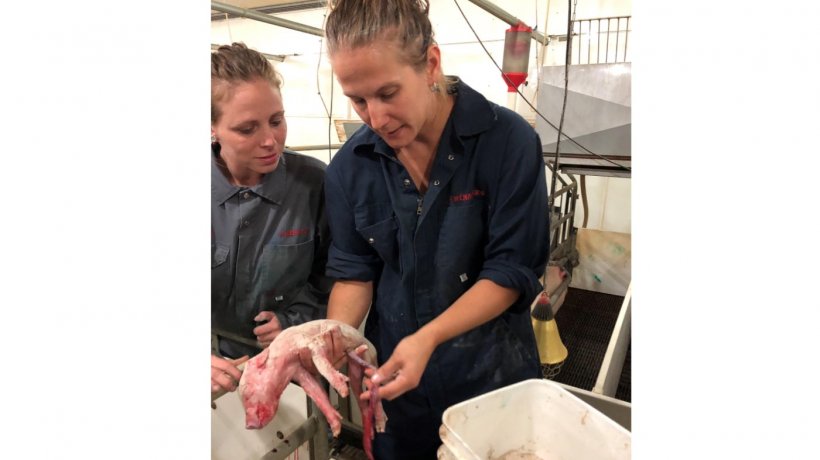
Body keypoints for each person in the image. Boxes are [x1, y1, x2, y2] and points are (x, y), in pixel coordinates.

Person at [321, 1, 550, 458]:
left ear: (430, 63)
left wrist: (428, 337)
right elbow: (354, 272)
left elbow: (511, 270)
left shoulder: (507, 142)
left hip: (490, 376)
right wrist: (328, 337)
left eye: (388, 93)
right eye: (357, 99)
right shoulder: (351, 167)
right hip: (399, 385)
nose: (375, 117)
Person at [210, 42, 332, 394]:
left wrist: (295, 323)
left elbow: (333, 275)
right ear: (212, 127)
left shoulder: (313, 184)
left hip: (292, 367)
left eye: (276, 121)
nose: (270, 141)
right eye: (247, 129)